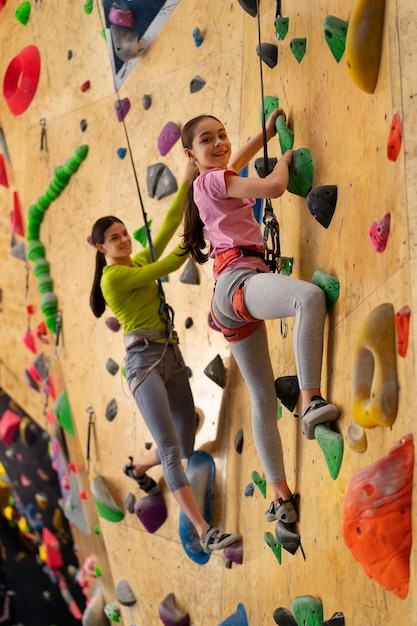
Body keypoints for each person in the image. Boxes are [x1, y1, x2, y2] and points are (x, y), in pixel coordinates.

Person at [180, 109, 339, 538]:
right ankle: (309, 400)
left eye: (223, 135)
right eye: (207, 141)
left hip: (228, 296)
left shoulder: (209, 180)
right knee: (308, 297)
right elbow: (272, 187)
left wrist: (263, 134)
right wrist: (284, 158)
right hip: (239, 280)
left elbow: (235, 159)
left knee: (263, 400)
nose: (219, 144)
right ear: (191, 154)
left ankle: (281, 496)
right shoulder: (211, 180)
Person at [89, 162, 241, 554]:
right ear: (101, 248)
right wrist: (199, 230)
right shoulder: (113, 279)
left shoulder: (134, 262)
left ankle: (139, 468)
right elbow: (170, 263)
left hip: (169, 355)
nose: (123, 241)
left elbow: (170, 221)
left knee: (184, 442)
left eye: (124, 234)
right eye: (114, 238)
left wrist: (188, 179)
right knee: (173, 452)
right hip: (144, 366)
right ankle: (205, 530)